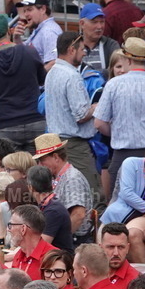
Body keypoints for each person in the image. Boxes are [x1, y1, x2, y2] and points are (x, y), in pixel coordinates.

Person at [94, 37, 145, 192]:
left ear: (127, 59)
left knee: (120, 207)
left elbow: (99, 123)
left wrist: (119, 132)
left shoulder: (113, 85)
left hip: (123, 155)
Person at [0, 14, 46, 150]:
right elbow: (43, 81)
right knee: (38, 169)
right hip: (35, 120)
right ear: (9, 30)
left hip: (5, 125)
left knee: (10, 170)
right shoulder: (29, 52)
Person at [44, 32, 100, 192]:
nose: (84, 53)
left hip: (58, 143)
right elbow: (81, 115)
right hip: (74, 146)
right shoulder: (72, 76)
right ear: (71, 50)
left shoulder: (52, 72)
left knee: (67, 192)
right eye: (82, 49)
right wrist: (97, 106)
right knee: (93, 192)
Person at [24, 164, 73, 251]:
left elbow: (41, 246)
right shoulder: (47, 206)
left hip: (59, 261)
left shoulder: (53, 211)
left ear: (31, 188)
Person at [16, 0, 62, 70]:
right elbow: (23, 53)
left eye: (29, 10)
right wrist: (17, 38)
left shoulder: (49, 31)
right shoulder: (40, 29)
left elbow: (54, 62)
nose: (26, 14)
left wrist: (35, 79)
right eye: (24, 11)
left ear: (43, 9)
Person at [78, 2, 120, 73]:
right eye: (94, 22)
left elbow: (117, 68)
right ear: (82, 24)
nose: (99, 27)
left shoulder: (111, 45)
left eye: (102, 22)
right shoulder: (73, 44)